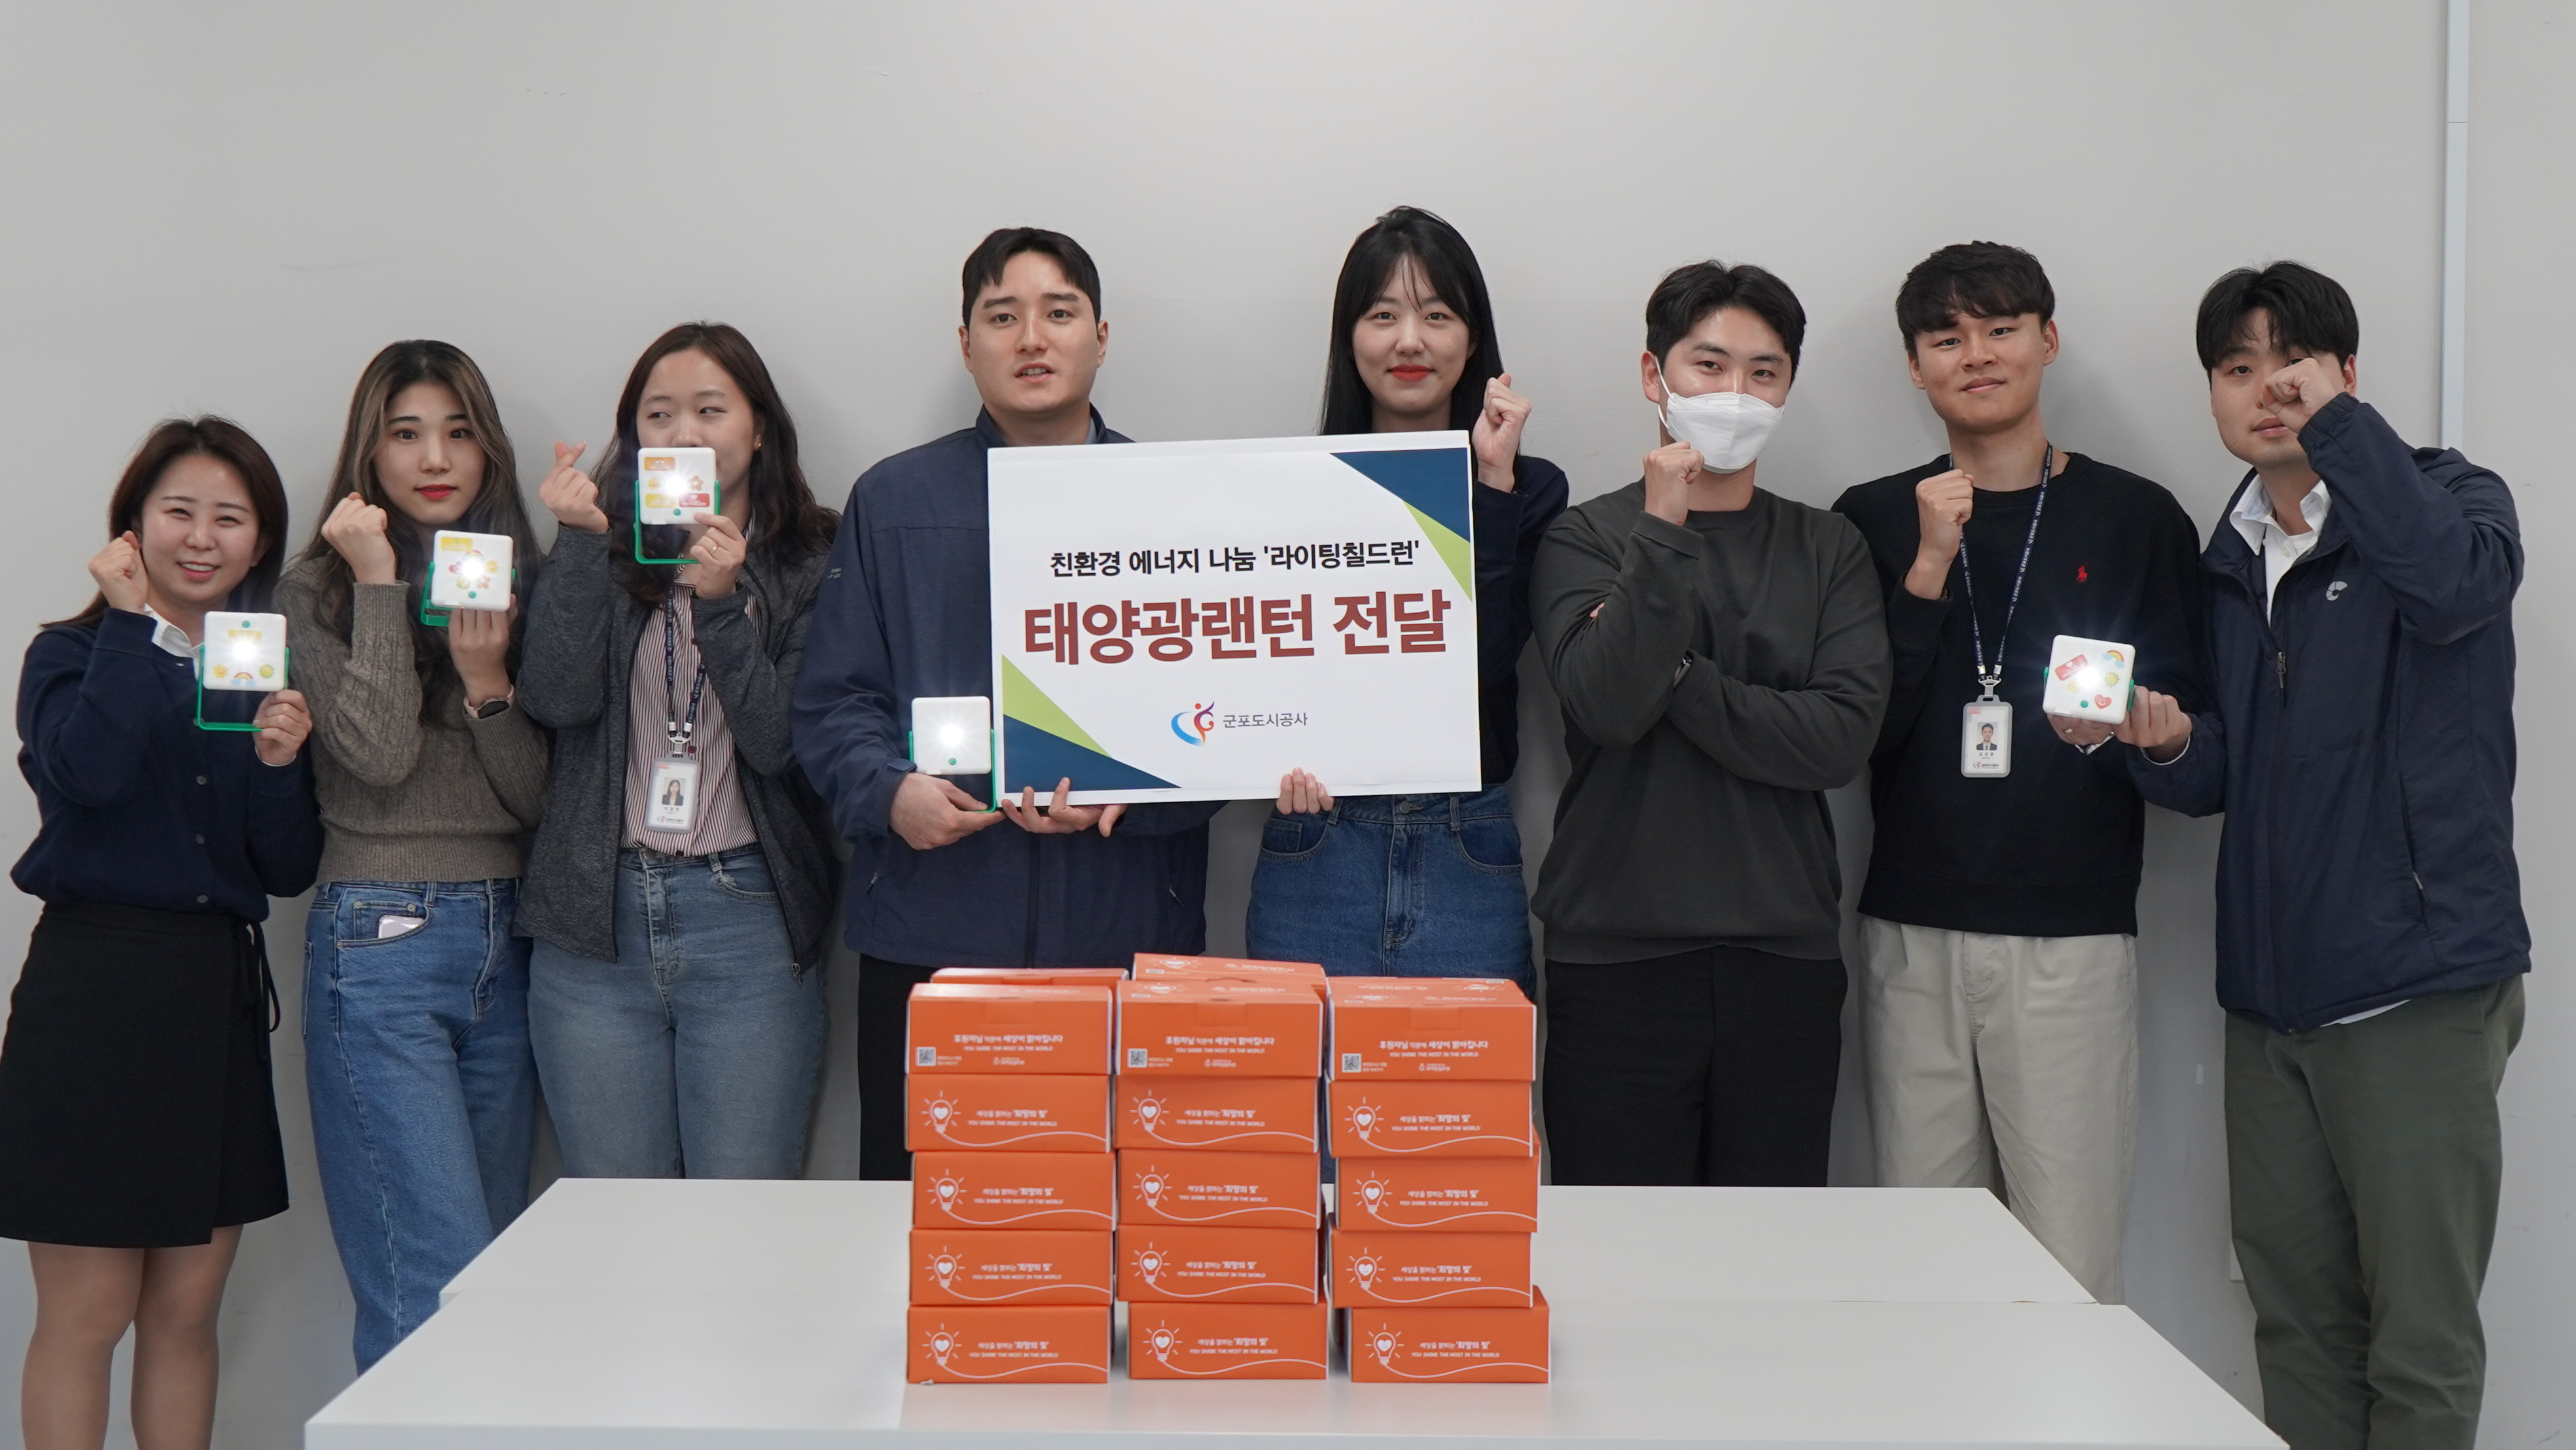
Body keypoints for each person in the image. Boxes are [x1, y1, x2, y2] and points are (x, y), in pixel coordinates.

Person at [2122, 262, 2524, 1450]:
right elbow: (2227, 771)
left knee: (2420, 1338)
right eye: (2236, 368)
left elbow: (2452, 591)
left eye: (2291, 363)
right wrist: (2163, 742)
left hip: (2414, 986)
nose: (2267, 389)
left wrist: (2342, 434)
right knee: (2297, 1323)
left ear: (2347, 375)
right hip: (2270, 1000)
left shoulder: (2450, 499)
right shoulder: (2229, 557)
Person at [794, 227, 1223, 1180]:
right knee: (931, 1222)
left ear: (1101, 338)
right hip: (933, 937)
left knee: (1111, 1220)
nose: (1032, 337)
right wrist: (889, 795)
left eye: (1059, 313)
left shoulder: (1177, 501)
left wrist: (1137, 795)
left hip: (1125, 938)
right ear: (966, 344)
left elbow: (1225, 715)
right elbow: (832, 703)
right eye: (1003, 316)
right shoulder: (893, 499)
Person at [1829, 242, 2204, 1303]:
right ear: (1915, 366)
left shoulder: (2135, 518)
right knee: (1921, 1273)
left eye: (2001, 329)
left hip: (2070, 936)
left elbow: (2202, 745)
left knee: (2068, 1271)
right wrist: (1926, 567)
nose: (1977, 355)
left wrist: (2156, 734)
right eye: (1947, 338)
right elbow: (1857, 733)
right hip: (1910, 930)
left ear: (2049, 339)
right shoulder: (1869, 518)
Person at [1530, 261, 1889, 1187]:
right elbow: (1610, 708)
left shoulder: (1828, 546)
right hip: (1614, 954)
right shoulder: (1585, 537)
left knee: (1772, 1248)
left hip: (1782, 955)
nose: (1735, 394)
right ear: (1655, 376)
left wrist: (1676, 670)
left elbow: (1837, 741)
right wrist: (1661, 530)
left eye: (1763, 372)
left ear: (1788, 387)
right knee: (1621, 1248)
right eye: (1709, 365)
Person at [0, 418, 320, 1450]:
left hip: (210, 997)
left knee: (186, 1311)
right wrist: (133, 629)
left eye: (231, 517)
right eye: (179, 511)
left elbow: (284, 869)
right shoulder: (70, 653)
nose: (202, 536)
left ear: (259, 540)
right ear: (133, 526)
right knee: (89, 1313)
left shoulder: (251, 665)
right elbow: (87, 776)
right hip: (94, 995)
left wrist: (280, 767)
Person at [276, 340, 549, 1371]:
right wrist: (380, 584)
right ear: (370, 452)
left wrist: (486, 681)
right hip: (379, 937)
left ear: (488, 449)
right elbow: (381, 756)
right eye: (406, 433)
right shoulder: (317, 591)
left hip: (509, 942)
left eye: (458, 431)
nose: (435, 458)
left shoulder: (520, 580)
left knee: (490, 1282)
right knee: (428, 1283)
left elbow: (539, 801)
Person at [518, 323, 842, 1180]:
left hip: (748, 919)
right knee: (617, 1216)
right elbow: (555, 701)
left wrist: (723, 604)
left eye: (710, 409)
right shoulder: (600, 543)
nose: (684, 433)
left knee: (742, 1212)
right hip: (596, 922)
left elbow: (782, 746)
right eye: (659, 414)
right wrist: (579, 540)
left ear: (759, 427)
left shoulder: (813, 557)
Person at [1249, 207, 1568, 997]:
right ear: (1349, 336)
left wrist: (1490, 484)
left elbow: (1482, 662)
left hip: (1467, 835)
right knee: (1304, 1080)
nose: (1410, 341)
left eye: (1437, 315)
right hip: (1317, 835)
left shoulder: (1527, 490)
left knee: (1469, 1082)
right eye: (1383, 315)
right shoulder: (1288, 488)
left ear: (1473, 337)